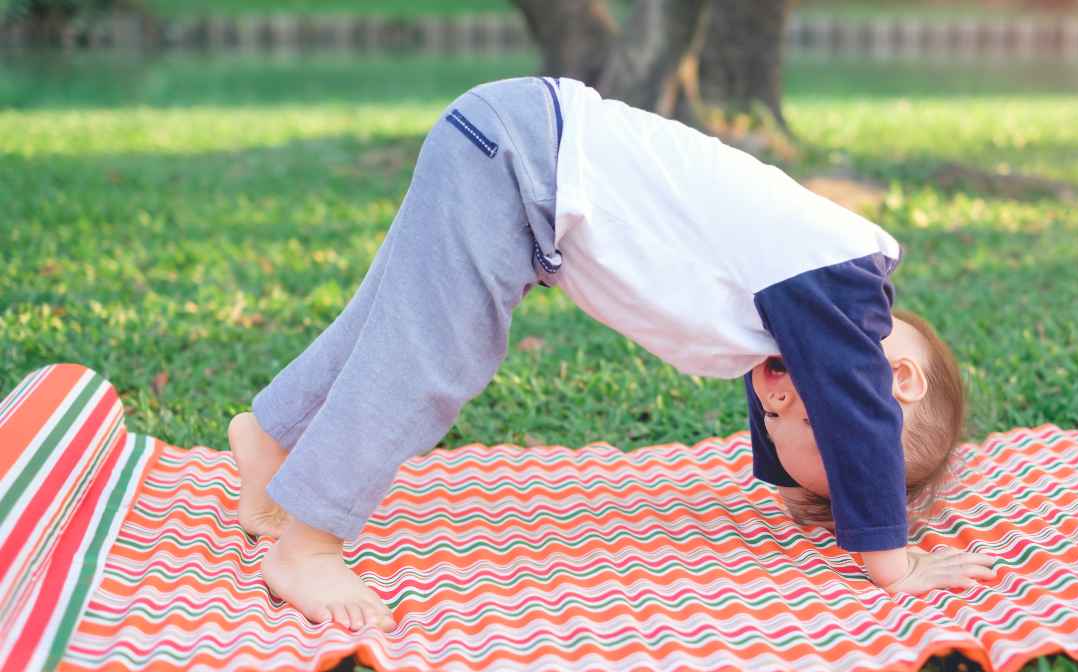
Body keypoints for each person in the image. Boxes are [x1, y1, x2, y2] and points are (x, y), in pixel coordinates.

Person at [228, 77, 996, 632]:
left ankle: (269, 440)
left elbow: (829, 392)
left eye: (775, 417)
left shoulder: (801, 300)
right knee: (433, 362)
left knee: (387, 322)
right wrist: (891, 559)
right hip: (524, 160)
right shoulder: (840, 282)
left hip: (516, 145)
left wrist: (790, 469)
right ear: (892, 376)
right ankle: (310, 545)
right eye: (812, 415)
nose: (775, 401)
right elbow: (848, 395)